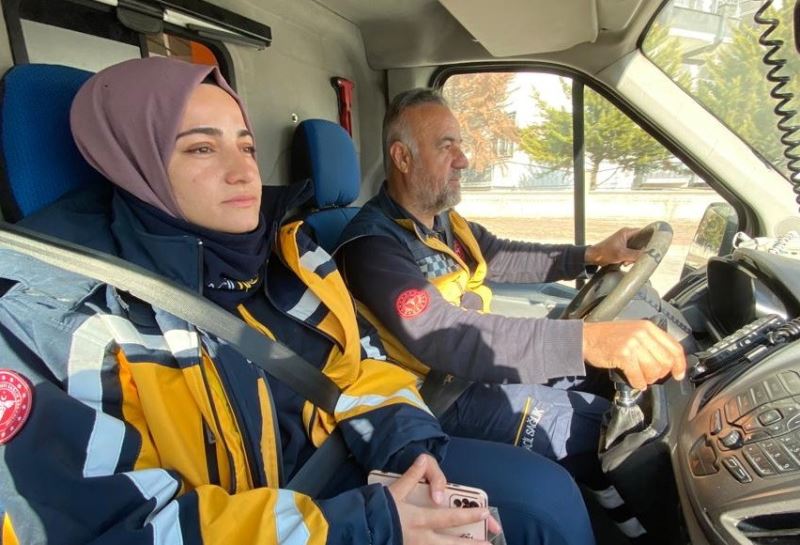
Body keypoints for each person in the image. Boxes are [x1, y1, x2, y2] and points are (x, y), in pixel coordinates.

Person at [0, 58, 596, 545]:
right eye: (201, 149)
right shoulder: (51, 320)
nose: (243, 173)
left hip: (354, 470)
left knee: (544, 502)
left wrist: (411, 448)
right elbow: (116, 528)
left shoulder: (289, 252)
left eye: (246, 147)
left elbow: (361, 366)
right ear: (135, 164)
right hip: (304, 522)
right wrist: (367, 526)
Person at [336, 88, 688, 542]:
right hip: (438, 396)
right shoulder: (372, 245)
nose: (464, 159)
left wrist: (591, 255)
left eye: (460, 145)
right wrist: (585, 339)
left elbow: (503, 255)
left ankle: (615, 516)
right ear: (403, 157)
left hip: (473, 371)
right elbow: (443, 334)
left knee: (605, 387)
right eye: (446, 146)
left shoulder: (442, 222)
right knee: (603, 427)